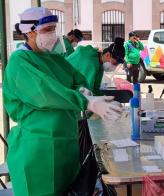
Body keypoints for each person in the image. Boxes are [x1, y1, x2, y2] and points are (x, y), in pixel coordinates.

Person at [5, 7, 122, 196]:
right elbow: (46, 92)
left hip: (65, 143)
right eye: (46, 30)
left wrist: (84, 90)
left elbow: (76, 77)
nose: (52, 34)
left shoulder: (52, 58)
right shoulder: (19, 62)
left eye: (53, 28)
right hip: (37, 150)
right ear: (29, 32)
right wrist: (87, 102)